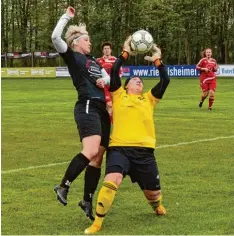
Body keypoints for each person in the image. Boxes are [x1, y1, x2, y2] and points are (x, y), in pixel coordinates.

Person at [84, 37, 170, 234]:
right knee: (111, 180)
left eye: (141, 81)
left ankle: (156, 206)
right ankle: (97, 223)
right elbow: (114, 71)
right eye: (135, 80)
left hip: (145, 153)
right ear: (126, 85)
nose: (139, 81)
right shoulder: (118, 94)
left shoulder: (149, 98)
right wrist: (124, 54)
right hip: (119, 149)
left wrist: (158, 61)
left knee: (153, 193)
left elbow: (165, 80)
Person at [51, 6, 111, 221]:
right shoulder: (72, 57)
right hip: (87, 105)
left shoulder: (95, 61)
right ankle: (63, 186)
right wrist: (67, 16)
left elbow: (109, 80)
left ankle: (87, 199)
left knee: (97, 158)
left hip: (103, 109)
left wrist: (105, 80)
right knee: (91, 149)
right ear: (76, 42)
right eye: (87, 40)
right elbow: (55, 36)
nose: (90, 42)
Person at [96, 42, 117, 123]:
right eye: (105, 49)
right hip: (102, 87)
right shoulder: (98, 61)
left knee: (113, 107)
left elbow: (120, 73)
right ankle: (105, 123)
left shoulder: (115, 60)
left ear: (111, 50)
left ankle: (111, 124)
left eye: (108, 48)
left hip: (113, 87)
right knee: (106, 105)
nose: (106, 50)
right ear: (102, 50)